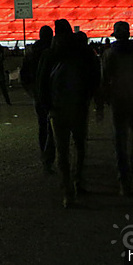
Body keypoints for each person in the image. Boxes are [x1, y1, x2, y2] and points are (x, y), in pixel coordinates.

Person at [37, 21, 99, 207]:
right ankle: (79, 180)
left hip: (57, 109)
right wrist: (90, 98)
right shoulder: (82, 52)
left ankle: (67, 193)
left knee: (62, 151)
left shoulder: (50, 54)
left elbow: (41, 83)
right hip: (79, 106)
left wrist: (47, 106)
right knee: (80, 147)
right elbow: (95, 75)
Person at [98, 21, 133, 196]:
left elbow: (104, 80)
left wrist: (103, 101)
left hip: (118, 101)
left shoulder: (109, 54)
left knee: (119, 139)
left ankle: (123, 178)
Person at [27, 26, 54, 169]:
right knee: (54, 125)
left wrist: (32, 91)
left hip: (38, 94)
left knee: (43, 125)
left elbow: (24, 75)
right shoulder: (54, 51)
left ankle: (45, 153)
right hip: (53, 93)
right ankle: (51, 155)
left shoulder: (33, 52)